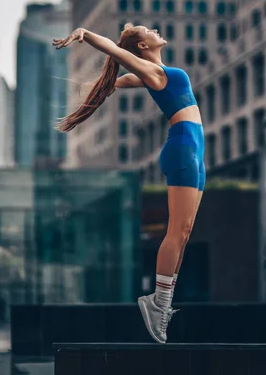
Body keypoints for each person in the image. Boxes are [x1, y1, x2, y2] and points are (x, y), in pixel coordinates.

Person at [52, 22, 205, 344]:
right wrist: (87, 34)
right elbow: (118, 52)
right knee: (177, 231)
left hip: (192, 148)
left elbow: (120, 78)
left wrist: (101, 84)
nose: (155, 30)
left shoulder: (157, 74)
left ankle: (161, 302)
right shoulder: (156, 73)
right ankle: (159, 303)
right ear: (142, 47)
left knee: (185, 230)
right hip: (183, 148)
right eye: (148, 31)